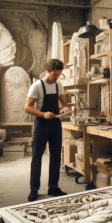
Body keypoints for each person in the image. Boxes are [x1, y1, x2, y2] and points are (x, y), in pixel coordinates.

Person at [25, 59, 70, 201]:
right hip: (41, 125)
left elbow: (62, 101)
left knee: (56, 157)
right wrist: (43, 114)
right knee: (36, 158)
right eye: (55, 74)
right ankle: (34, 189)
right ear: (48, 71)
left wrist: (65, 107)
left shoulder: (58, 85)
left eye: (59, 74)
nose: (57, 77)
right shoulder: (37, 86)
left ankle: (53, 187)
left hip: (55, 124)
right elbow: (27, 107)